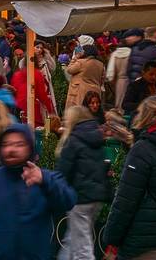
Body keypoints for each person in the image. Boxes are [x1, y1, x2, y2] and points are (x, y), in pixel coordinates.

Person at [0, 124, 75, 260]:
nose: (11, 149)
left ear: (30, 147)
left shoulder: (45, 178)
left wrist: (45, 180)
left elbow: (68, 200)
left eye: (19, 144)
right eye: (6, 144)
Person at [100, 97, 156, 259]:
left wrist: (111, 239)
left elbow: (125, 201)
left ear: (143, 116)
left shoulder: (142, 150)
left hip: (141, 240)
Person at [56, 105, 108, 260]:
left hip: (79, 197)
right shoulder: (96, 137)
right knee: (73, 238)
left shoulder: (73, 140)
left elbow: (63, 170)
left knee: (82, 247)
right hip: (96, 197)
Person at [63, 44, 105, 110]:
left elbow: (69, 70)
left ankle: (47, 120)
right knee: (93, 112)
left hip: (80, 92)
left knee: (79, 113)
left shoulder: (81, 62)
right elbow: (102, 79)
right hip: (95, 91)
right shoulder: (100, 64)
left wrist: (75, 57)